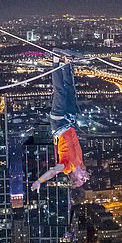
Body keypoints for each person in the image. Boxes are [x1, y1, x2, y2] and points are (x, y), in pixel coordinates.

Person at [30, 61, 89, 192]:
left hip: (59, 124)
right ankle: (67, 63)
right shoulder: (80, 163)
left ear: (74, 177)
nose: (85, 177)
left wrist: (39, 181)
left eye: (82, 179)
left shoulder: (67, 167)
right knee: (70, 90)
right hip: (69, 121)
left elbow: (53, 171)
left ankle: (56, 62)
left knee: (60, 92)